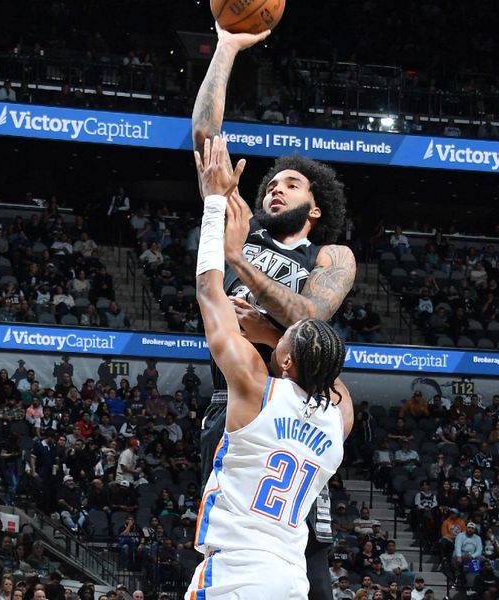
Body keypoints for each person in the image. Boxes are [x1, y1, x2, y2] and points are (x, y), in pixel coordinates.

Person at [192, 23, 356, 600]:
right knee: (229, 540)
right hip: (235, 403)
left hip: (297, 410)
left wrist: (240, 264)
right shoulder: (246, 226)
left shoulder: (330, 255)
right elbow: (206, 139)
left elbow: (311, 312)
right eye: (272, 184)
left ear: (316, 207)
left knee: (309, 560)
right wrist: (228, 47)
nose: (275, 191)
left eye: (292, 184)